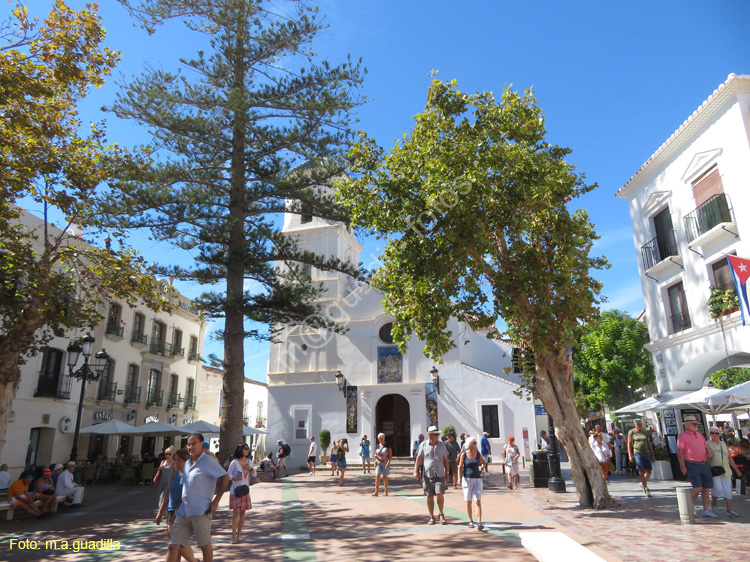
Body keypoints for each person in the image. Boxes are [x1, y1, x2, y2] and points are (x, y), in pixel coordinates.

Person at [166, 433, 229, 562]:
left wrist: (216, 501)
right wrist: (177, 510)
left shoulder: (208, 461)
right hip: (184, 512)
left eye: (194, 443)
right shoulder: (188, 463)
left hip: (200, 511)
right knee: (173, 547)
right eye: (189, 444)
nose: (191, 447)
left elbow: (225, 476)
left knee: (204, 545)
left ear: (201, 444)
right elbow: (185, 489)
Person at [156, 449, 197, 562]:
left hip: (182, 513)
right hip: (171, 511)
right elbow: (168, 492)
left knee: (175, 545)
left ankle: (194, 561)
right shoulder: (175, 474)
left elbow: (187, 496)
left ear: (185, 461)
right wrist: (160, 512)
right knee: (175, 545)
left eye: (177, 460)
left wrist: (177, 511)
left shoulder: (190, 475)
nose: (175, 462)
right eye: (174, 460)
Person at [677, 415, 716, 519]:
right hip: (692, 464)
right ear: (687, 425)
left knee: (706, 488)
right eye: (693, 424)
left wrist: (709, 452)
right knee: (697, 487)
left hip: (704, 463)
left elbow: (706, 448)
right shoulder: (682, 436)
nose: (695, 425)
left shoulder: (700, 435)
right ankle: (689, 506)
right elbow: (680, 453)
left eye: (696, 424)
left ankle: (706, 510)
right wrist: (682, 466)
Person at [414, 425, 449, 525]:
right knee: (429, 496)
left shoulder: (442, 445)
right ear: (430, 435)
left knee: (440, 494)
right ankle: (431, 516)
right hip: (427, 475)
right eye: (435, 434)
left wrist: (447, 472)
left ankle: (441, 514)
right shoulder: (423, 445)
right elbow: (418, 458)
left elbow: (445, 459)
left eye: (438, 434)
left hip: (440, 474)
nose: (437, 436)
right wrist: (415, 471)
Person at [707, 427, 742, 517]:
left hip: (726, 470)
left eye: (716, 433)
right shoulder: (707, 444)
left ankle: (729, 509)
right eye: (712, 433)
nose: (714, 435)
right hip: (714, 470)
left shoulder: (723, 444)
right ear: (709, 434)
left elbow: (729, 457)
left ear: (719, 434)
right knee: (717, 488)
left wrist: (736, 469)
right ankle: (713, 503)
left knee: (728, 490)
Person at [228, 442, 256, 544]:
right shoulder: (234, 462)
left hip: (244, 489)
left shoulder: (249, 461)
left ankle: (239, 533)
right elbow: (228, 474)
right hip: (235, 490)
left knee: (243, 511)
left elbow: (254, 474)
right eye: (245, 449)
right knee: (236, 511)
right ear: (240, 450)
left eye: (248, 448)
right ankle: (233, 535)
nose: (247, 450)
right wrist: (234, 478)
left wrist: (250, 469)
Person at [457, 437, 487, 530]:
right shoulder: (464, 455)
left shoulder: (478, 454)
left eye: (476, 442)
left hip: (477, 479)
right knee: (468, 501)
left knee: (477, 501)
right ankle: (470, 520)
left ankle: (479, 522)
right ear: (470, 444)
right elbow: (460, 467)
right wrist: (459, 479)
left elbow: (484, 462)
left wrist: (481, 469)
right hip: (467, 479)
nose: (476, 444)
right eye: (474, 443)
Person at [627, 419, 655, 497]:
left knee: (649, 471)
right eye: (637, 424)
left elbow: (648, 443)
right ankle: (645, 488)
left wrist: (652, 454)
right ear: (634, 424)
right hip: (637, 452)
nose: (639, 426)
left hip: (646, 452)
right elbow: (629, 444)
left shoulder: (645, 432)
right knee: (641, 470)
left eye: (640, 424)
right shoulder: (632, 432)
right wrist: (630, 454)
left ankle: (643, 483)